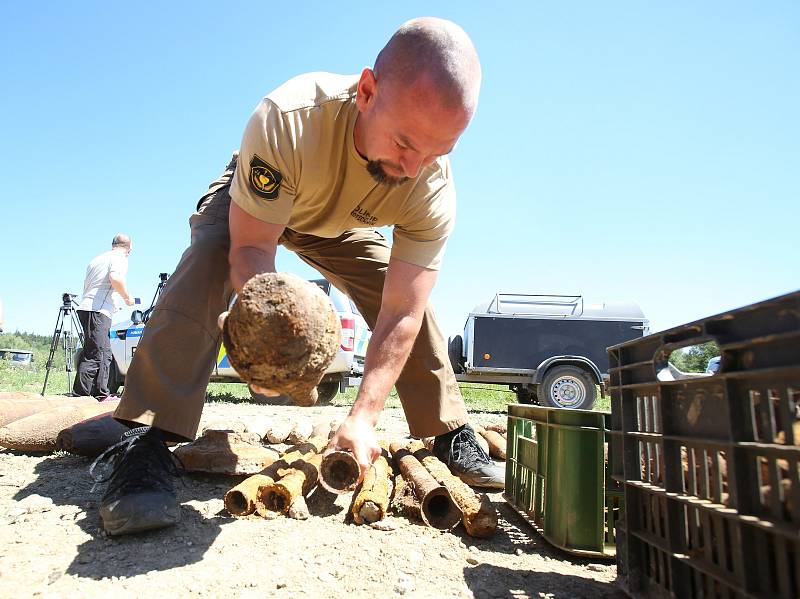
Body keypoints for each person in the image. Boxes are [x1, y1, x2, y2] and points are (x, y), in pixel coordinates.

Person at [95, 17, 503, 537]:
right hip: (258, 212)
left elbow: (402, 309)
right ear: (368, 91)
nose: (414, 166)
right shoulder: (289, 117)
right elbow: (250, 249)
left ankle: (446, 429)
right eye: (404, 143)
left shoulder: (430, 182)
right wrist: (265, 347)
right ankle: (145, 440)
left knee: (403, 297)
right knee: (207, 263)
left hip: (339, 222)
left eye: (436, 152)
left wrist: (362, 417)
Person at [73, 234, 134, 399]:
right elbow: (115, 278)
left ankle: (101, 393)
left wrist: (113, 303)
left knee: (106, 353)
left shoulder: (97, 260)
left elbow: (92, 286)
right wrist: (127, 298)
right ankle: (81, 394)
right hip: (97, 310)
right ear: (129, 248)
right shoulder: (120, 258)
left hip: (91, 308)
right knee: (94, 353)